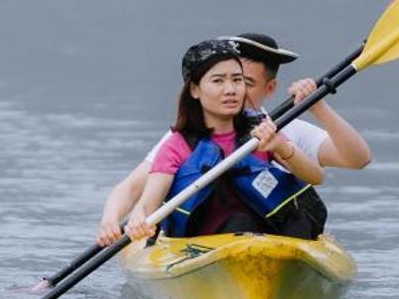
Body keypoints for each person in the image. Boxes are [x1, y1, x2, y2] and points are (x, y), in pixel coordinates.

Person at [99, 32, 370, 243]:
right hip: (207, 242)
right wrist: (119, 218)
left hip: (272, 236)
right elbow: (138, 192)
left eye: (241, 81)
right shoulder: (183, 139)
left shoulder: (280, 129)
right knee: (236, 221)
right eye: (219, 81)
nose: (232, 90)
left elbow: (355, 161)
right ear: (196, 89)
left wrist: (316, 108)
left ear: (270, 88)